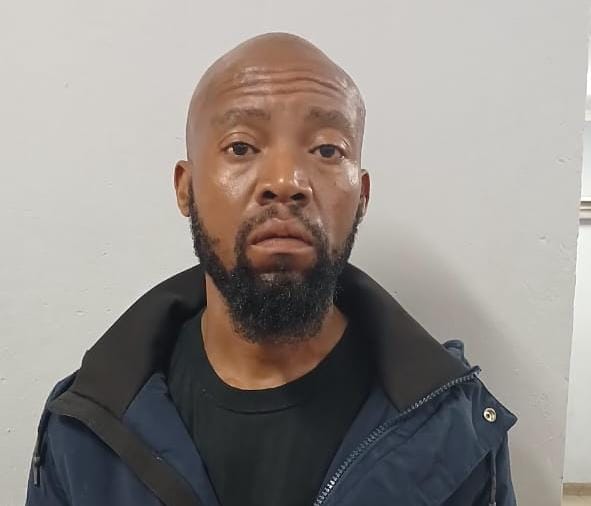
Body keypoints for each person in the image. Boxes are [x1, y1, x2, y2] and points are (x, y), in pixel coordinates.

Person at [25, 32, 517, 506]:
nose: (286, 181)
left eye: (327, 150)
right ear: (185, 188)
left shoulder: (454, 431)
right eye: (241, 147)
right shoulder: (87, 428)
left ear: (362, 197)